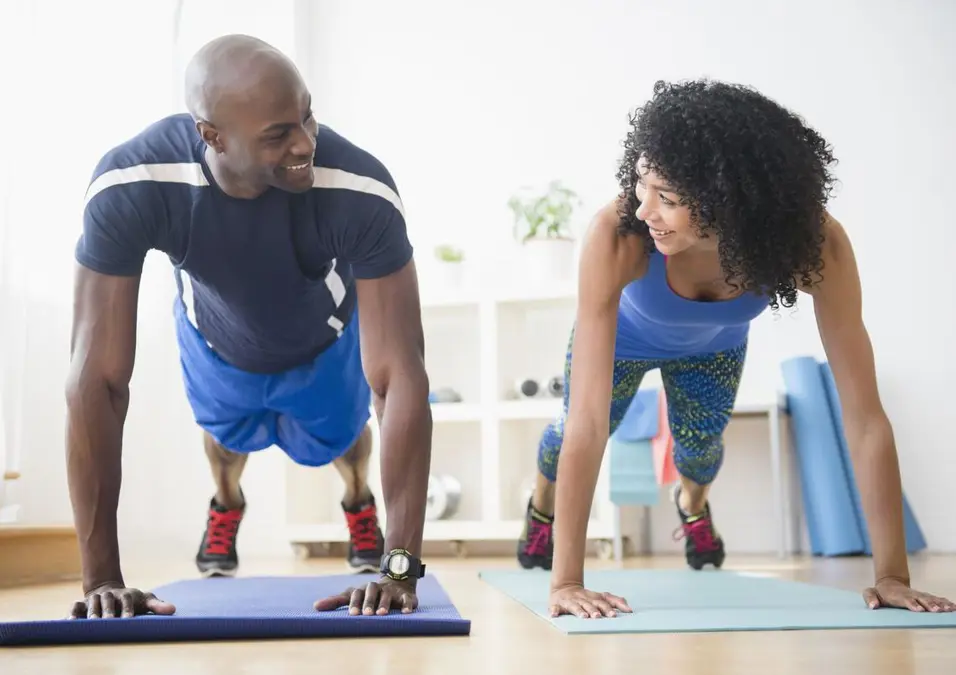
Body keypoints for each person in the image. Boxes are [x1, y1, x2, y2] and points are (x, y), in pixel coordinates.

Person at [516, 79, 956, 619]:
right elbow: (588, 420)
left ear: (734, 204)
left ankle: (692, 508)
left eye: (669, 198)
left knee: (699, 453)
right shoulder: (618, 233)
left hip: (714, 349)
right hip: (624, 344)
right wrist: (567, 583)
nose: (644, 207)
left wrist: (891, 576)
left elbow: (864, 419)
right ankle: (540, 511)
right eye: (641, 182)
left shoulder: (813, 245)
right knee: (568, 434)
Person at [64, 34, 432, 620]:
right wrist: (101, 580)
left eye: (307, 115)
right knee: (226, 441)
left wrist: (400, 565)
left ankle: (359, 502)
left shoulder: (358, 188)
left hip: (323, 342)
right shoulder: (133, 183)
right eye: (277, 133)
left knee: (344, 441)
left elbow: (399, 378)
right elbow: (97, 380)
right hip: (217, 341)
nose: (305, 141)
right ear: (211, 135)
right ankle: (227, 503)